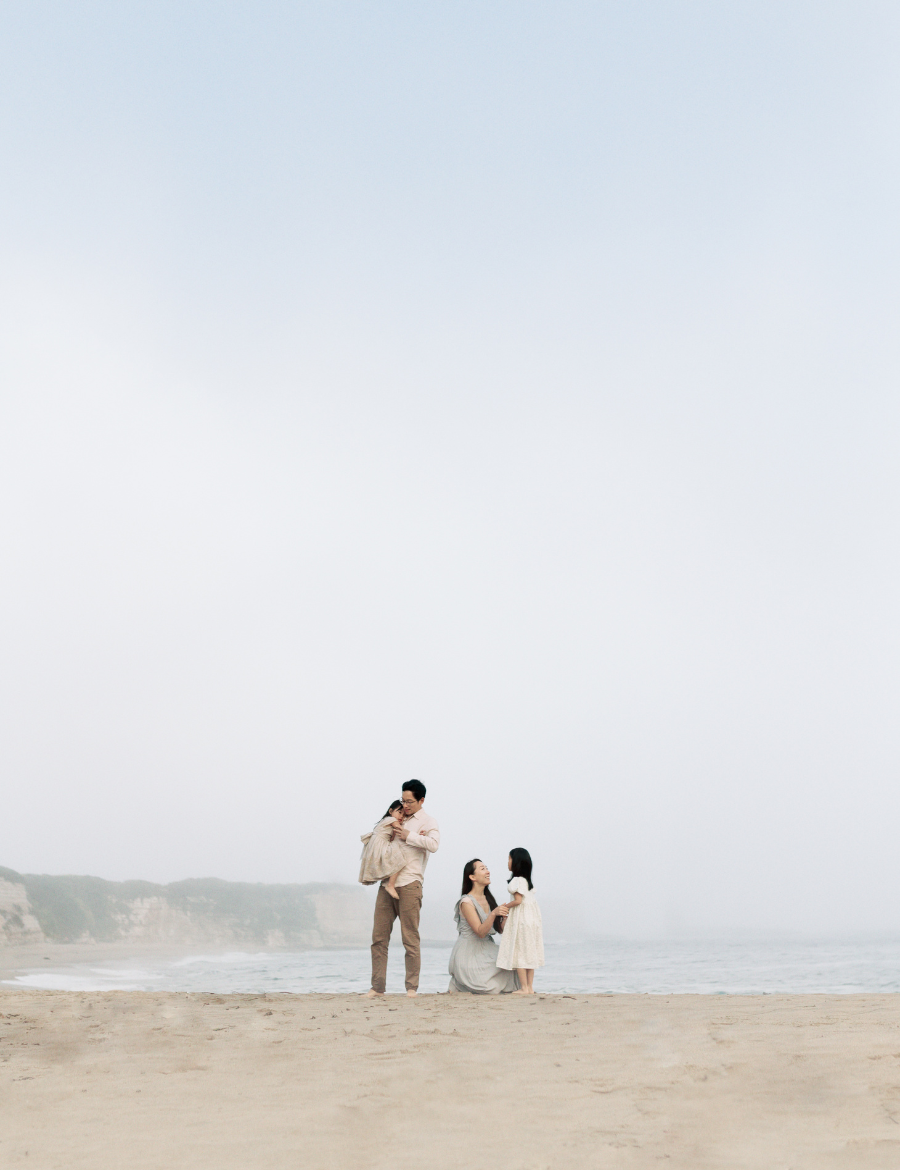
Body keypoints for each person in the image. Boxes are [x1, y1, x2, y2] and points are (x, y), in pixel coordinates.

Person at [366, 780, 440, 998]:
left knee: (410, 938)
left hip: (410, 884)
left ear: (421, 800)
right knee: (379, 938)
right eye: (403, 800)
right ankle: (377, 987)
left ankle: (411, 988)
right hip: (386, 885)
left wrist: (410, 835)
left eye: (409, 801)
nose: (405, 805)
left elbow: (434, 845)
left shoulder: (428, 821)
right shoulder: (397, 816)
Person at [448, 859, 518, 994]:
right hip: (469, 952)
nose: (488, 871)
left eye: (486, 868)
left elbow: (500, 929)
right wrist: (493, 914)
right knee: (491, 988)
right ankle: (459, 984)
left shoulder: (488, 899)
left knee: (512, 960)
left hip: (487, 947)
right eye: (482, 868)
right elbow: (480, 932)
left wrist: (508, 916)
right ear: (472, 877)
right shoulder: (466, 902)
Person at [496, 847, 544, 995]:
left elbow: (518, 900)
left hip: (521, 920)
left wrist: (505, 907)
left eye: (509, 859)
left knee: (519, 952)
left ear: (515, 863)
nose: (507, 862)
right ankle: (529, 987)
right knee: (529, 952)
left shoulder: (517, 880)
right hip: (532, 920)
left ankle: (523, 988)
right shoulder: (527, 882)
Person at [358, 800, 406, 899]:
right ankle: (390, 885)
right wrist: (416, 835)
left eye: (404, 814)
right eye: (399, 812)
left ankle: (388, 880)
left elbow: (392, 838)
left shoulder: (386, 821)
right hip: (379, 844)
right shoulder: (391, 820)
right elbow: (401, 830)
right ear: (391, 811)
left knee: (392, 856)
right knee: (399, 856)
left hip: (375, 845)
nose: (401, 816)